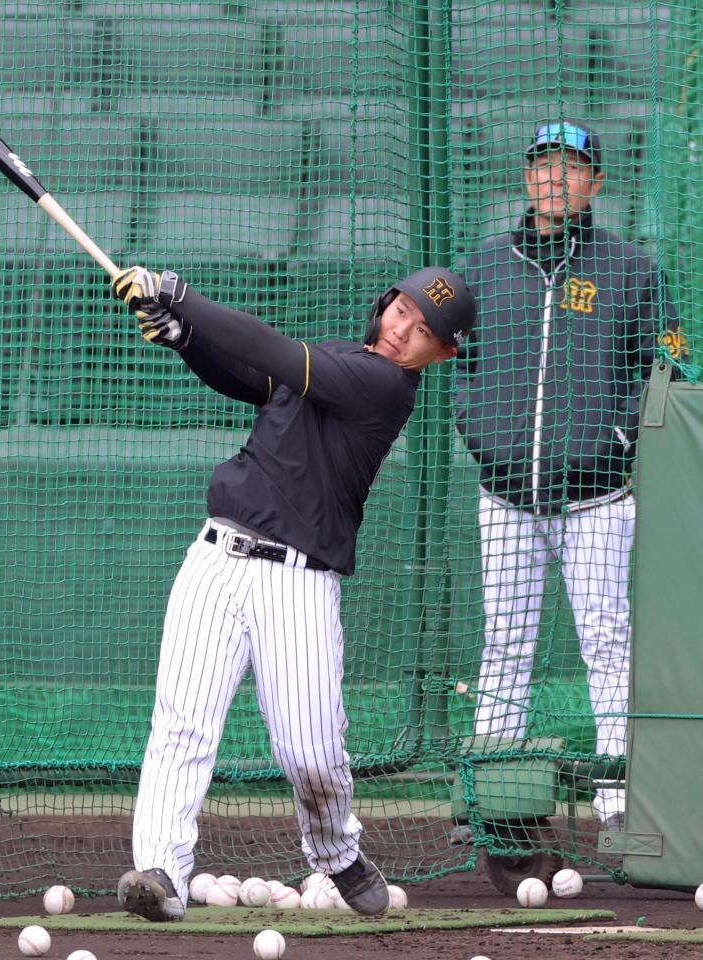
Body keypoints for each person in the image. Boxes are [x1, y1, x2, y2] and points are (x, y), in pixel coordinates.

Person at [109, 262, 477, 919]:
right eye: (402, 310)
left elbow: (273, 352)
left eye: (423, 330)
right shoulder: (337, 355)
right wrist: (184, 340)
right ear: (385, 302)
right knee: (182, 724)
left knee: (310, 752)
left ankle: (336, 853)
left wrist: (182, 298)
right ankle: (160, 873)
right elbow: (249, 376)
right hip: (216, 558)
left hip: (299, 583)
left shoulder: (387, 386)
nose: (402, 330)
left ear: (441, 353)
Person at [454, 121, 682, 840]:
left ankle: (617, 807)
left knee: (607, 641)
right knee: (504, 643)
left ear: (595, 182)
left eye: (571, 166)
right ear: (526, 179)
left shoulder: (631, 269)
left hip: (596, 501)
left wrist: (613, 438)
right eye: (543, 165)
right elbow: (460, 366)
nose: (555, 177)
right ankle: (493, 805)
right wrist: (481, 433)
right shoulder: (483, 267)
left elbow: (665, 369)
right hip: (506, 498)